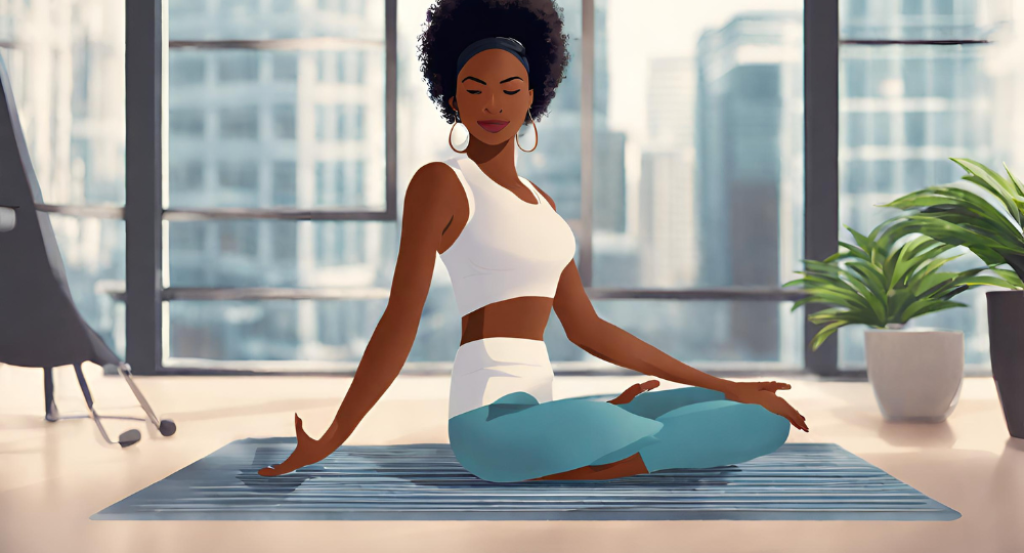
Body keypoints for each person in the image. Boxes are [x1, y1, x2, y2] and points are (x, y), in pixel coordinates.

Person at [259, 0, 808, 481]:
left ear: (533, 97)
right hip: (489, 426)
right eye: (475, 89)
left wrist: (724, 384)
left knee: (758, 416)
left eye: (509, 89)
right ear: (452, 97)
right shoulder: (442, 183)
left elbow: (587, 327)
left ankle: (588, 442)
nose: (492, 104)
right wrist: (333, 436)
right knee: (627, 422)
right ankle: (594, 450)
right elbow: (399, 323)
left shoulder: (543, 202)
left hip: (544, 409)